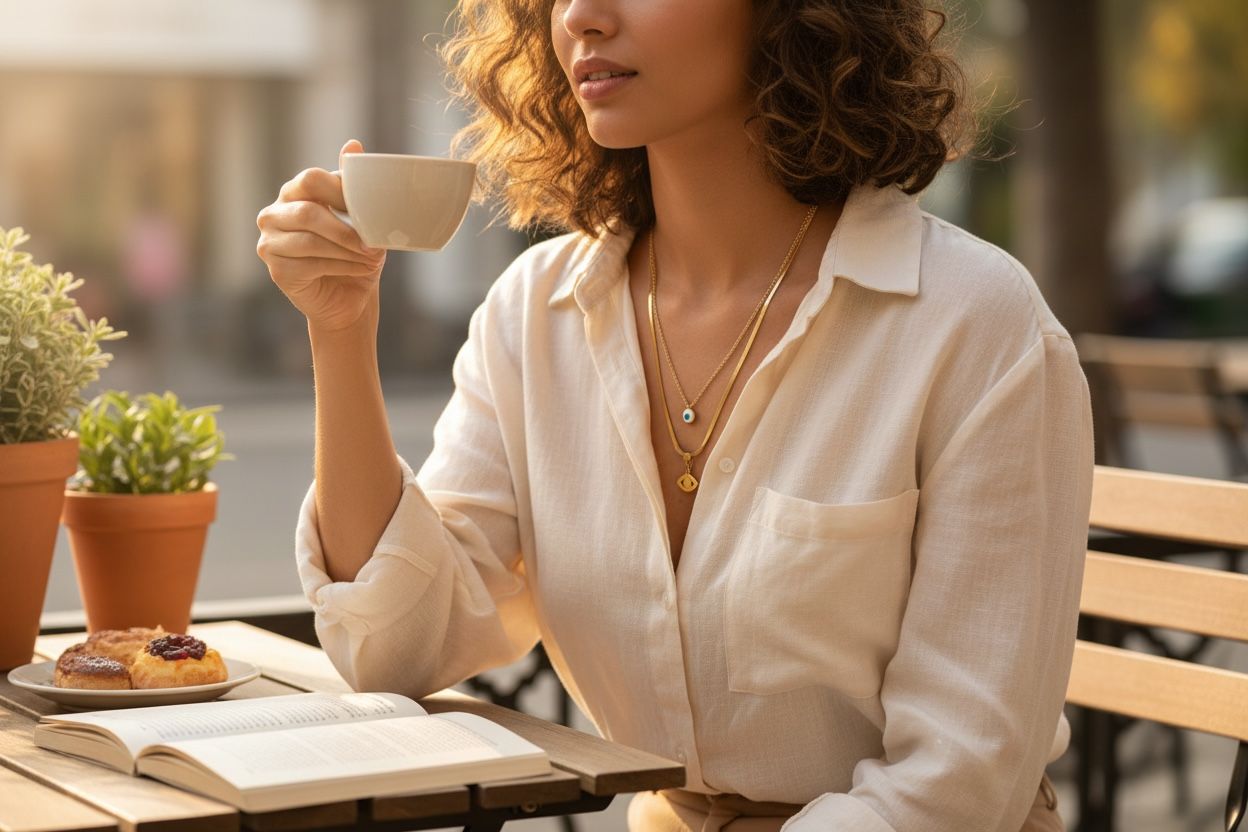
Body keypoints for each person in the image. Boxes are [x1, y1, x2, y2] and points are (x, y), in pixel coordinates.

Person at [255, 1, 1092, 830]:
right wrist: (339, 330)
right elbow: (397, 645)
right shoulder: (533, 313)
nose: (582, 15)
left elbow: (958, 777)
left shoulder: (974, 324)